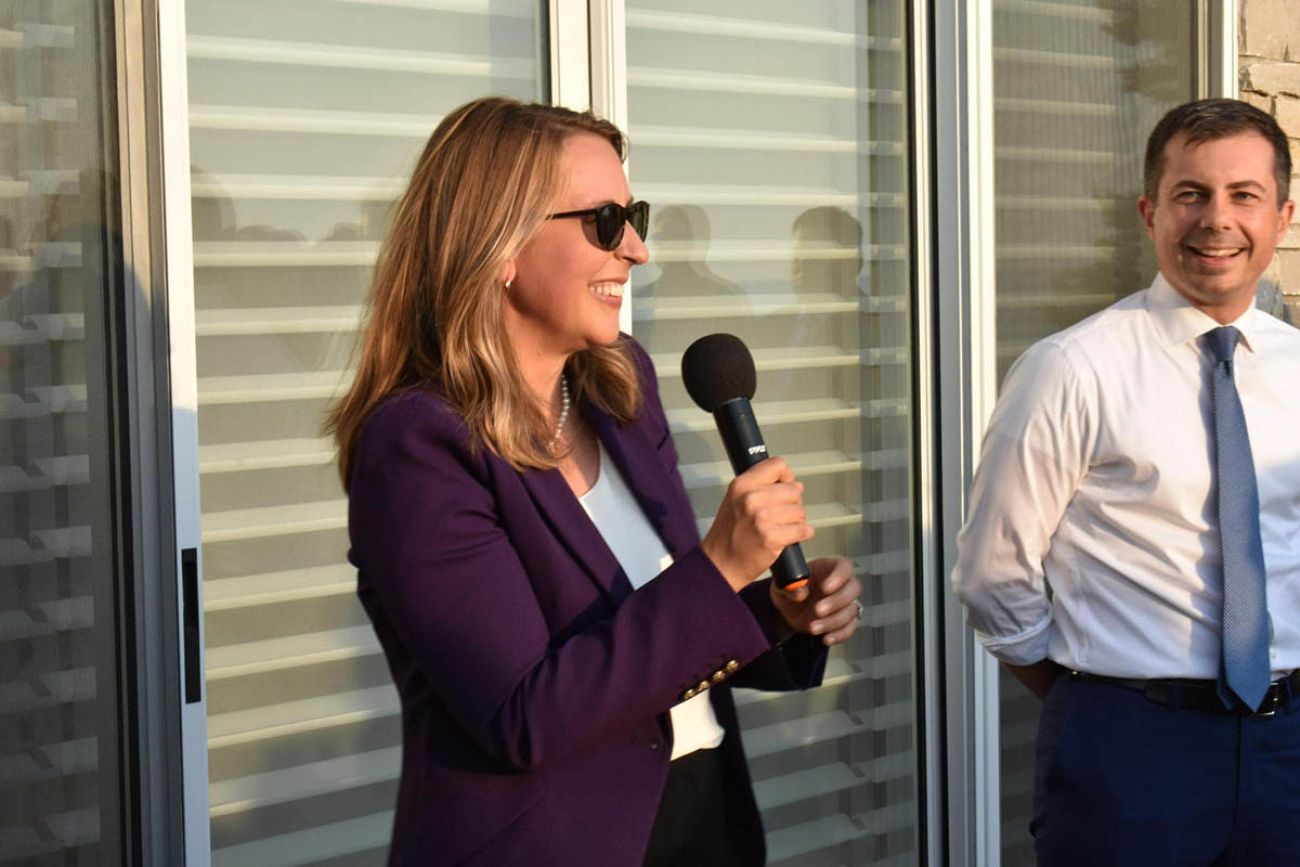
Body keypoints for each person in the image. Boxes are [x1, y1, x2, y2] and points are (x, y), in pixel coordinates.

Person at [326, 97, 863, 867]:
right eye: (607, 221)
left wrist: (776, 610)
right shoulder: (418, 444)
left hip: (704, 816)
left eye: (633, 215)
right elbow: (523, 714)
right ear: (500, 244)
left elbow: (658, 628)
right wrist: (722, 568)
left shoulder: (620, 386)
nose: (637, 249)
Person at [952, 97, 1300, 865]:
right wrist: (1093, 693)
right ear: (1150, 212)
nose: (1217, 219)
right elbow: (991, 577)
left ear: (1283, 215)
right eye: (1190, 194)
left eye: (1244, 195)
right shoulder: (1072, 368)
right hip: (1129, 753)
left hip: (1289, 748)